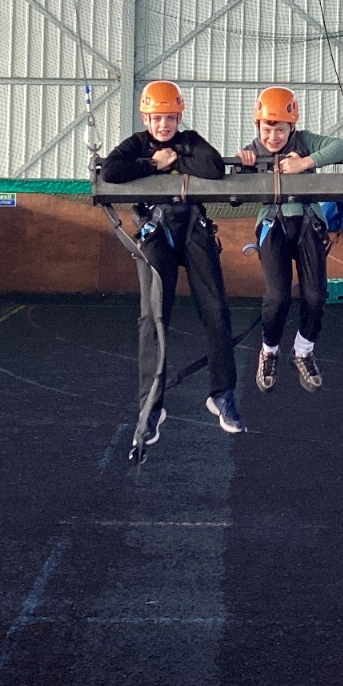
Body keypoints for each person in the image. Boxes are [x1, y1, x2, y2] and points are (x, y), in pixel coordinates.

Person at [100, 80, 245, 455]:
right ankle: (151, 406)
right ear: (145, 118)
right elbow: (111, 171)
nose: (163, 125)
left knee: (215, 309)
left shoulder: (190, 141)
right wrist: (152, 163)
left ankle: (222, 394)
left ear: (179, 118)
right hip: (156, 229)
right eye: (157, 118)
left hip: (193, 226)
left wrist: (173, 159)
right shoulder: (136, 144)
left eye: (169, 118)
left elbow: (213, 167)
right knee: (152, 317)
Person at [235, 87, 343, 393]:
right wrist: (243, 165)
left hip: (308, 221)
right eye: (267, 129)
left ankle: (303, 350)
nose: (273, 137)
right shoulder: (252, 150)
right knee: (278, 296)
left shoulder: (304, 141)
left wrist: (305, 162)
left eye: (281, 129)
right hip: (273, 223)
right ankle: (269, 351)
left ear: (292, 127)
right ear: (258, 126)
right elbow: (237, 190)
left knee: (316, 295)